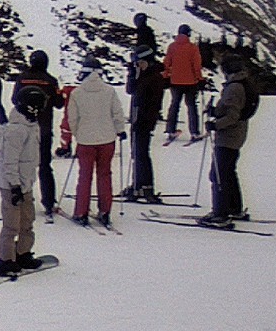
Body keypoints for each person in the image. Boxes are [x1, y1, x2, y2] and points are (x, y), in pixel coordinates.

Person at [0, 85, 50, 277]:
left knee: (27, 220)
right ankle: (5, 259)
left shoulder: (31, 126)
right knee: (11, 224)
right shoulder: (16, 130)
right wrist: (14, 186)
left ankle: (23, 253)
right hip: (12, 185)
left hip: (25, 183)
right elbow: (10, 161)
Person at [66, 57, 127, 226]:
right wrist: (120, 130)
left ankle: (81, 212)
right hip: (107, 139)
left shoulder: (77, 93)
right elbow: (117, 113)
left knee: (85, 176)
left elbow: (72, 119)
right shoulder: (109, 91)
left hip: (86, 141)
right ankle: (105, 211)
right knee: (105, 174)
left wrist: (78, 134)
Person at [201, 55, 259, 227]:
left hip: (229, 136)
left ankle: (221, 213)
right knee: (228, 172)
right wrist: (215, 111)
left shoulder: (234, 88)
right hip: (236, 135)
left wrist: (216, 125)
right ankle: (234, 208)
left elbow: (232, 115)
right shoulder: (243, 84)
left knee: (218, 174)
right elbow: (231, 110)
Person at [10, 50, 62, 217]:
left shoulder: (22, 78)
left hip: (24, 127)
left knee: (23, 164)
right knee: (45, 165)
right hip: (44, 128)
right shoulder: (50, 81)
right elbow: (59, 103)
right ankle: (48, 202)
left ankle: (21, 197)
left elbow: (14, 99)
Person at [125, 45, 166, 201]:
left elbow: (151, 101)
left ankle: (146, 186)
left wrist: (145, 120)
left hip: (144, 120)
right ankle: (138, 184)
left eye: (140, 62)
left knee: (141, 153)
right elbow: (130, 90)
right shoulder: (142, 75)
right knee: (136, 152)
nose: (138, 65)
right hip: (137, 118)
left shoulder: (154, 77)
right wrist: (132, 75)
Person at [163, 24, 204, 143]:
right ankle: (194, 132)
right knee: (191, 106)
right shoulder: (193, 48)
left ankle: (170, 130)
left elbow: (166, 63)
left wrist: (166, 77)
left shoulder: (172, 47)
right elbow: (196, 66)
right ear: (188, 34)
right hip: (190, 82)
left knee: (174, 105)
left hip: (175, 81)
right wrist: (200, 79)